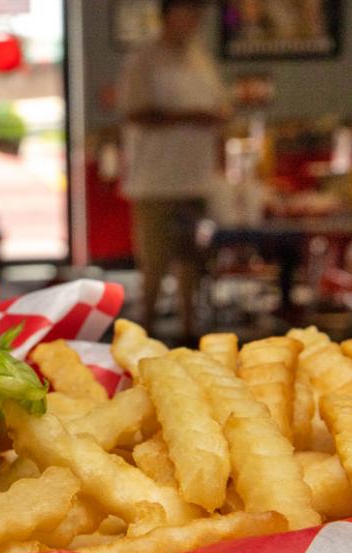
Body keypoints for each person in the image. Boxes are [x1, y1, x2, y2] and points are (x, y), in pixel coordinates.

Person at [118, 0, 229, 340]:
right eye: (189, 12)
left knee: (191, 259)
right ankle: (144, 330)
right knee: (154, 262)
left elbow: (220, 109)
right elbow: (134, 112)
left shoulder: (200, 58)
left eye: (199, 14)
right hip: (155, 180)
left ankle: (189, 328)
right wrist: (191, 117)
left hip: (195, 178)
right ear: (168, 14)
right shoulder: (144, 59)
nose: (195, 20)